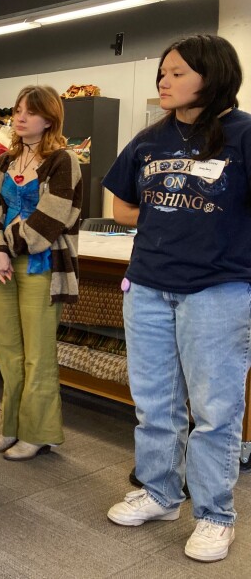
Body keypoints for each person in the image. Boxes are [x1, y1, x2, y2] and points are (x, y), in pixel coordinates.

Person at [103, 34, 251, 563]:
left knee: (214, 410)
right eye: (162, 73)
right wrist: (175, 214)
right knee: (155, 403)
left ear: (211, 77)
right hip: (147, 285)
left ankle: (215, 515)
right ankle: (161, 493)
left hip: (218, 290)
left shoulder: (244, 135)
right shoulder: (149, 140)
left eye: (177, 73)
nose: (164, 81)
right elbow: (122, 208)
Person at [0, 85, 82, 461]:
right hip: (3, 265)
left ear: (49, 118)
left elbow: (53, 216)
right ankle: (11, 426)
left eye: (29, 111)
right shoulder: (6, 160)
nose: (20, 117)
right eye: (17, 110)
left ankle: (37, 432)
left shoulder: (63, 160)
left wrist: (8, 245)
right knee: (7, 347)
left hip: (44, 264)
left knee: (38, 352)